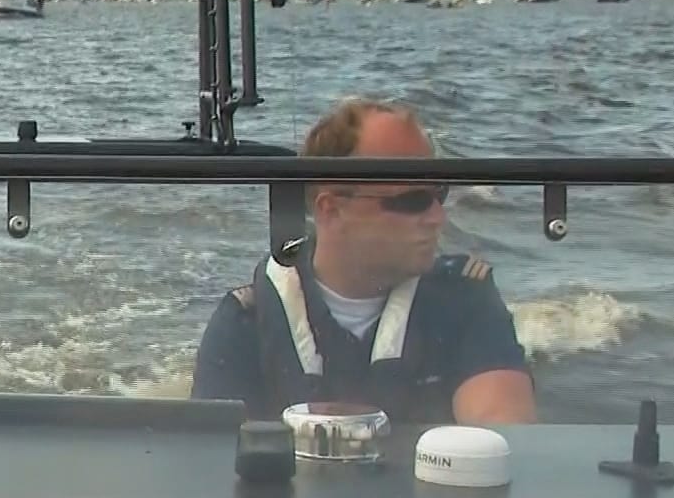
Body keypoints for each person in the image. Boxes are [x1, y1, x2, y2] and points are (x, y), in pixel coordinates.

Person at [190, 98, 536, 425]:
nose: (437, 217)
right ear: (331, 210)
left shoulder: (465, 303)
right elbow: (215, 455)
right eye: (412, 201)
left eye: (439, 194)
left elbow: (503, 428)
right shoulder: (246, 324)